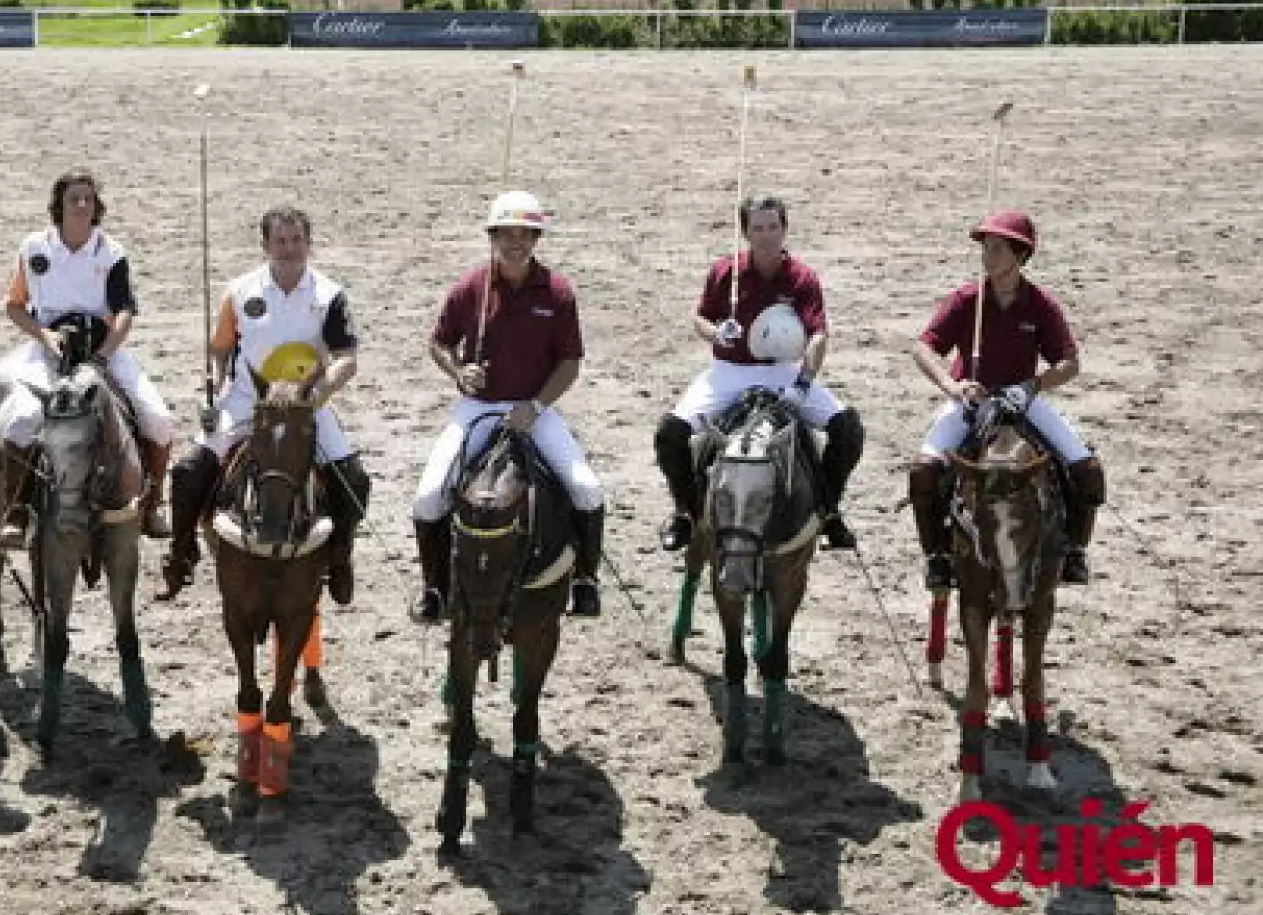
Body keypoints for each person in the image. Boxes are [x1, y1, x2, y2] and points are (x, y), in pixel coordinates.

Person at [411, 190, 605, 622]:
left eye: (525, 234)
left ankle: (586, 581)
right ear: (493, 236)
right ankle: (434, 588)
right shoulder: (470, 289)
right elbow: (438, 343)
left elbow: (569, 363)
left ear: (536, 238)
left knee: (587, 489)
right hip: (478, 409)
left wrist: (535, 407)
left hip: (534, 410)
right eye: (507, 233)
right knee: (428, 496)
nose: (515, 242)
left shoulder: (557, 292)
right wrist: (459, 373)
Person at [161, 206, 369, 606]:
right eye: (280, 241)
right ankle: (180, 555)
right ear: (265, 245)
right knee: (188, 472)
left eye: (296, 241)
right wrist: (215, 381)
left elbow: (346, 357)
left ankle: (340, 558)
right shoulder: (240, 292)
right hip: (246, 402)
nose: (289, 249)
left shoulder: (328, 295)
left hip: (305, 405)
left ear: (309, 243)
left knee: (353, 480)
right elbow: (220, 350)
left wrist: (318, 393)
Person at [653, 196, 865, 553]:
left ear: (785, 228)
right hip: (729, 371)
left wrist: (803, 382)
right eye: (758, 228)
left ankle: (828, 511)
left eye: (773, 227)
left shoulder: (802, 278)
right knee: (670, 432)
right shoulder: (725, 272)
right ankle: (684, 513)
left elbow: (818, 334)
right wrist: (716, 333)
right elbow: (700, 318)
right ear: (746, 232)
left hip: (783, 372)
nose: (767, 236)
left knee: (848, 429)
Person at [909, 209, 1104, 590]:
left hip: (1022, 400)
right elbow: (923, 348)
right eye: (986, 247)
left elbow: (1069, 363)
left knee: (1087, 470)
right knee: (922, 473)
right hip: (972, 401)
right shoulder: (968, 299)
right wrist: (954, 387)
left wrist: (1032, 386)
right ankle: (936, 557)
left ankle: (1076, 552)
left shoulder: (1040, 303)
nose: (987, 255)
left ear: (1020, 254)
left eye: (997, 248)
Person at [0, 171, 175, 542]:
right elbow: (14, 306)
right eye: (74, 198)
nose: (81, 206)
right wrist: (43, 334)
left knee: (158, 419)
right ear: (59, 205)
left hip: (102, 351)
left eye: (88, 199)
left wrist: (103, 357)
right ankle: (17, 510)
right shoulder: (33, 249)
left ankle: (152, 503)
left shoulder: (111, 253)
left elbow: (123, 312)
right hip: (48, 351)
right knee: (21, 421)